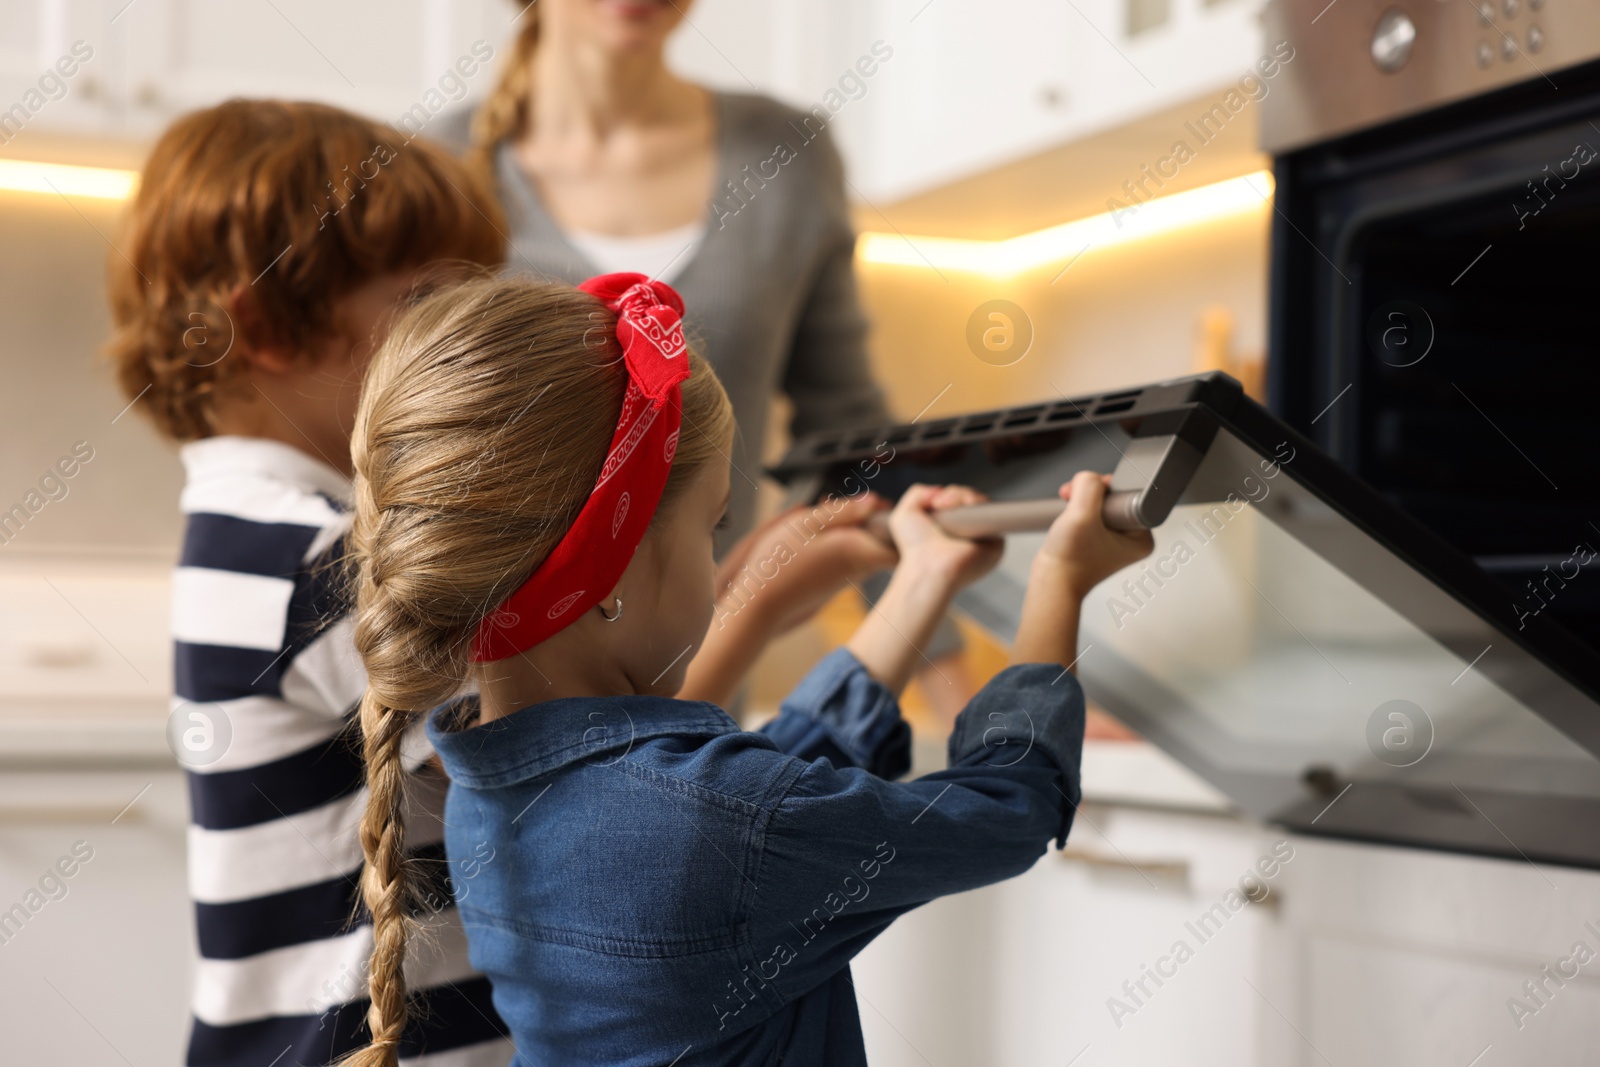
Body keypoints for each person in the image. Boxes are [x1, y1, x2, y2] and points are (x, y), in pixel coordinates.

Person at [340, 272, 1154, 1066]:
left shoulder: (493, 780)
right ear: (611, 573)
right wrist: (1061, 580)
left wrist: (921, 582)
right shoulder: (718, 821)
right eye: (714, 525)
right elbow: (1009, 807)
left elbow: (767, 796)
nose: (722, 553)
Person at [103, 100, 516, 1066]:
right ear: (271, 329)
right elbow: (550, 764)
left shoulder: (254, 534)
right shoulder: (317, 559)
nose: (457, 349)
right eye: (420, 308)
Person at [435, 0, 972, 713]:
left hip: (696, 695)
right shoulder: (437, 167)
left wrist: (962, 696)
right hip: (473, 710)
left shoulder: (787, 153)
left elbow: (850, 437)